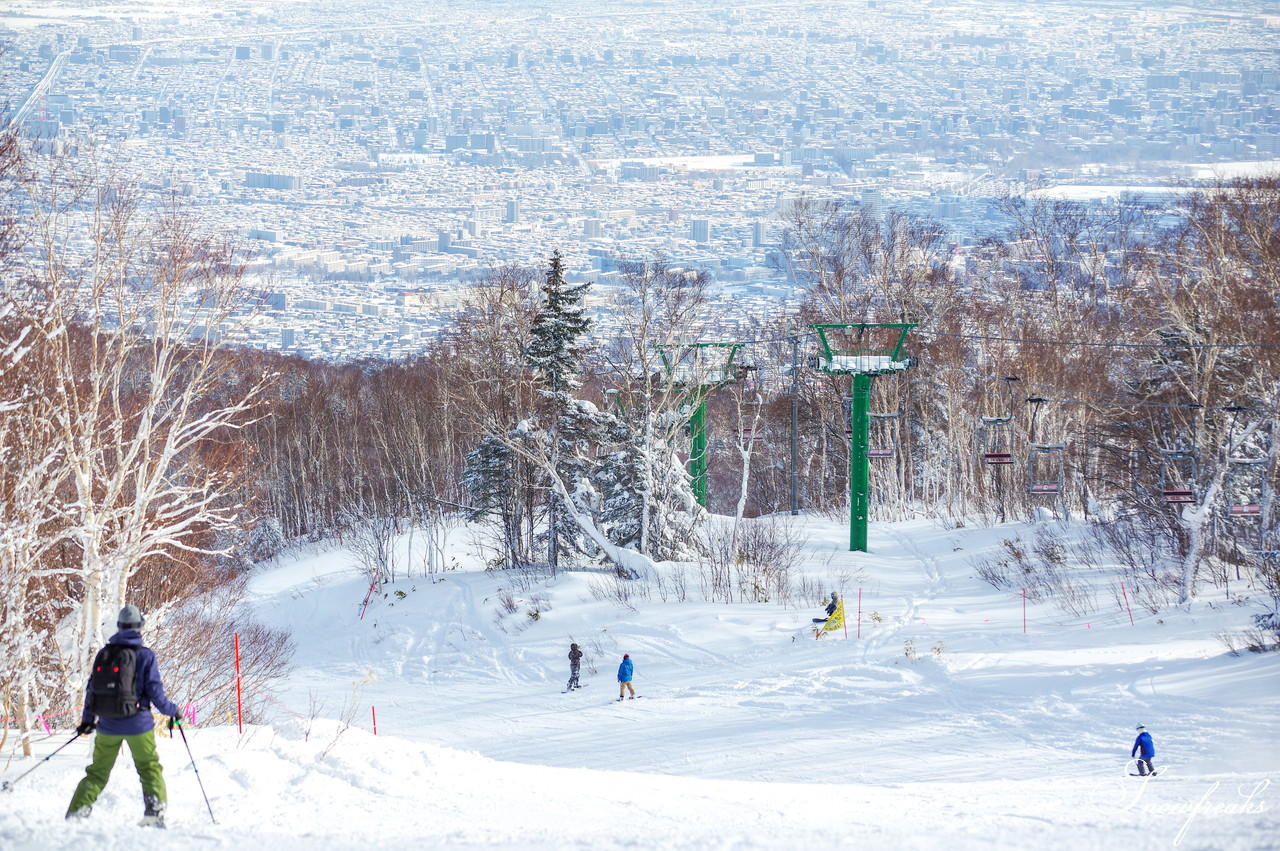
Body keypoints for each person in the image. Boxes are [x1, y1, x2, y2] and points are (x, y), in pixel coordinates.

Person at [67, 605, 182, 828]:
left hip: (108, 725)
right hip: (139, 725)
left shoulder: (104, 653)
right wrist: (173, 711)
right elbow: (155, 692)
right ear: (140, 627)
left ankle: (76, 813)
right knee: (149, 768)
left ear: (119, 627)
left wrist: (87, 721)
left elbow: (92, 690)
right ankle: (154, 814)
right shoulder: (146, 656)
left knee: (97, 772)